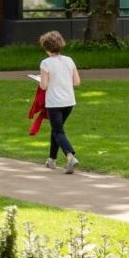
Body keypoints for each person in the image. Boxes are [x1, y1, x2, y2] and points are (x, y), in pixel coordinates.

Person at [38, 30, 81, 174]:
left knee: (58, 130)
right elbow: (77, 82)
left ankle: (70, 155)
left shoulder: (46, 63)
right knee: (56, 129)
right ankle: (52, 160)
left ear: (46, 48)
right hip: (69, 101)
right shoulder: (69, 60)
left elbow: (43, 86)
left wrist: (39, 80)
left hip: (54, 103)